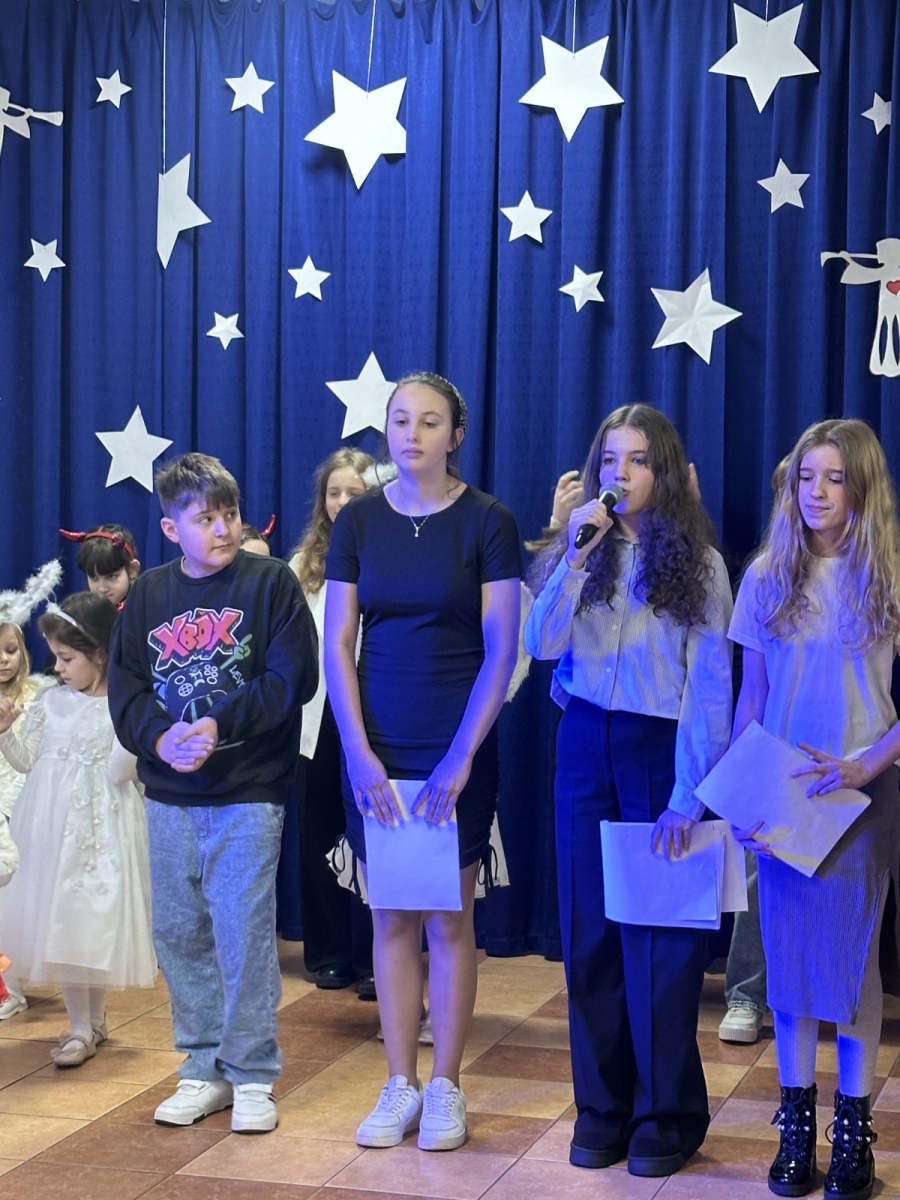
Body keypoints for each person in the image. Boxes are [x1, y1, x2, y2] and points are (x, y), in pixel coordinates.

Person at [524, 403, 733, 1178]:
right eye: (610, 460)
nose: (621, 474)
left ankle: (665, 1115)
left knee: (659, 942)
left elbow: (709, 688)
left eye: (638, 460)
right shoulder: (583, 549)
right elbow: (539, 644)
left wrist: (688, 793)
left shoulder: (699, 566)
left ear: (665, 472)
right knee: (589, 935)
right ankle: (602, 1109)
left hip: (658, 748)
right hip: (585, 742)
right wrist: (574, 553)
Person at [325, 372, 521, 1152]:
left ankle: (446, 1085)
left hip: (455, 750)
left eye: (429, 421)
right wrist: (356, 750)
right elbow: (339, 642)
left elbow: (501, 649)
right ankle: (400, 1081)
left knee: (447, 917)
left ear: (455, 435)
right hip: (375, 749)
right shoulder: (359, 521)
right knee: (390, 915)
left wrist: (460, 756)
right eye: (400, 419)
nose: (412, 433)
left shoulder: (487, 520)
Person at [108, 452, 317, 1134]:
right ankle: (202, 1068)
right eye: (204, 518)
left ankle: (252, 1073)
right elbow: (127, 687)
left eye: (229, 513)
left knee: (242, 929)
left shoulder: (270, 583)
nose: (222, 528)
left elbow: (292, 678)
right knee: (180, 932)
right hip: (169, 795)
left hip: (248, 789)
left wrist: (217, 723)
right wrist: (160, 737)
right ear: (171, 529)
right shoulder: (149, 594)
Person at [729, 419, 900, 1200]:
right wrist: (744, 792)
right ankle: (796, 1127)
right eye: (806, 477)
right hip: (785, 794)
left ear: (862, 487)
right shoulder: (767, 575)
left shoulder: (888, 575)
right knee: (791, 966)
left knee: (853, 966)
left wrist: (867, 763)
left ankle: (853, 1132)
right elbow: (753, 698)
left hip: (860, 791)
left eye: (834, 478)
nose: (817, 493)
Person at [0, 592, 155, 1066]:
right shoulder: (51, 702)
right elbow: (27, 761)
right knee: (63, 920)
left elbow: (123, 772)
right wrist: (4, 732)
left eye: (67, 658)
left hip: (103, 827)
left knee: (94, 922)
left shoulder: (122, 705)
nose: (58, 667)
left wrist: (132, 734)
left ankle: (95, 1020)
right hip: (53, 828)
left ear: (100, 654)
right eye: (55, 657)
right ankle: (80, 1027)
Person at [290, 448, 376, 995]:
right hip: (315, 714)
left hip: (372, 713)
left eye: (354, 493)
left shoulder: (392, 550)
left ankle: (375, 956)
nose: (342, 502)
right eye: (334, 492)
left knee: (370, 834)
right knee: (319, 830)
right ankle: (329, 952)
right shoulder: (303, 565)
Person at [0, 620, 54, 1019]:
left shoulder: (37, 698)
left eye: (11, 650)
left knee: (13, 901)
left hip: (19, 806)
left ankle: (11, 988)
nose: (4, 660)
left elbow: (33, 759)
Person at [61, 524, 141, 609]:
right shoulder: (80, 612)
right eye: (94, 578)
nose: (102, 589)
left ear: (132, 570)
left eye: (111, 576)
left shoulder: (146, 610)